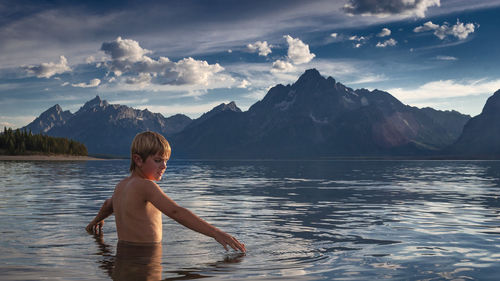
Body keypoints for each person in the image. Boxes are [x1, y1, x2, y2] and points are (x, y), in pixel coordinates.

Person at [86, 131, 246, 253]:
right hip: (146, 258)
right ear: (138, 160)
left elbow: (109, 205)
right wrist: (216, 233)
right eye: (158, 161)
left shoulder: (121, 186)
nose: (164, 166)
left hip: (125, 257)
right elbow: (176, 211)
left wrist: (94, 221)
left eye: (166, 161)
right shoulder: (146, 186)